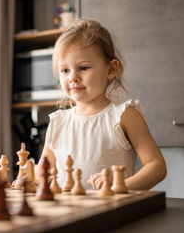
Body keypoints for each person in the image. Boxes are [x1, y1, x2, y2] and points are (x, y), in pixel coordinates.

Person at [40, 18, 166, 190]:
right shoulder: (58, 122)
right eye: (65, 70)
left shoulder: (124, 116)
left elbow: (157, 167)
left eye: (83, 68)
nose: (73, 77)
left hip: (113, 213)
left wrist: (120, 187)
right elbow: (43, 172)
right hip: (68, 213)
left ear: (111, 69)